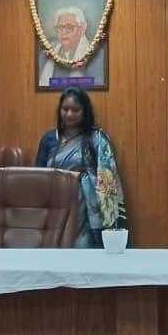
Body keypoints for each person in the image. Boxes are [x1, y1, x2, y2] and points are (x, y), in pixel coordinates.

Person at [34, 87, 124, 248]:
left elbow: (108, 182)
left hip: (87, 213)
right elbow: (38, 177)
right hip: (55, 207)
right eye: (65, 109)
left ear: (85, 111)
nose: (69, 114)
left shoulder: (96, 139)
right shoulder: (49, 139)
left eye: (75, 110)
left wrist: (81, 179)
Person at [38, 6, 92, 87]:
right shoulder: (46, 54)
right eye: (60, 27)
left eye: (69, 27)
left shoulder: (94, 52)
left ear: (83, 28)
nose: (64, 32)